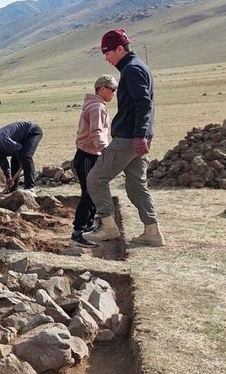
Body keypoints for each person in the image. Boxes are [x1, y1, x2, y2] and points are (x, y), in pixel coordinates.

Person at [84, 29, 165, 247]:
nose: (106, 58)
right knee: (136, 185)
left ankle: (108, 226)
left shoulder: (132, 69)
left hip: (130, 138)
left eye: (108, 53)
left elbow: (144, 103)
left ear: (120, 49)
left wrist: (140, 135)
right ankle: (152, 232)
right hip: (137, 137)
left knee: (95, 178)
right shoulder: (137, 67)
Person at [70, 74, 117, 248]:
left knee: (91, 192)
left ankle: (88, 228)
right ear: (103, 89)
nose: (113, 93)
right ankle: (78, 233)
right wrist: (106, 151)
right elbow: (96, 132)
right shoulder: (97, 107)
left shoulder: (96, 105)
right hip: (89, 155)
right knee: (89, 193)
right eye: (112, 90)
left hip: (88, 154)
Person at [0, 121, 43, 195]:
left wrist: (23, 162)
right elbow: (4, 163)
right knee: (15, 161)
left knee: (25, 156)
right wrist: (8, 177)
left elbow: (19, 149)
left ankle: (30, 188)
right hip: (20, 140)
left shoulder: (0, 140)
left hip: (32, 132)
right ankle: (13, 189)